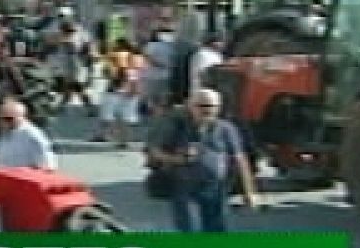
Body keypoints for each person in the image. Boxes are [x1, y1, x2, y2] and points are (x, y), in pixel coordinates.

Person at [148, 88, 259, 232]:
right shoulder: (177, 127)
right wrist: (178, 159)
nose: (205, 110)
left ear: (218, 108)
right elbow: (155, 152)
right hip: (184, 190)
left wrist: (249, 192)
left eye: (210, 106)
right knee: (190, 229)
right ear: (191, 107)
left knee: (216, 230)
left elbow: (240, 160)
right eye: (201, 106)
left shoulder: (226, 129)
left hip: (215, 190)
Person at [0, 98, 58, 171]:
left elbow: (48, 166)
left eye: (8, 118)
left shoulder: (32, 135)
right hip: (5, 179)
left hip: (24, 180)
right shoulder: (5, 134)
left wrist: (23, 171)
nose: (1, 122)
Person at [97, 38, 144, 148]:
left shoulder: (116, 55)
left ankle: (104, 135)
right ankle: (124, 140)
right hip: (133, 89)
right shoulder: (139, 58)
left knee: (107, 113)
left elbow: (113, 72)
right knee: (126, 117)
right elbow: (139, 74)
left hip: (116, 87)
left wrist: (116, 82)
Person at [48, 20, 95, 112]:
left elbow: (74, 49)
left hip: (73, 66)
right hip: (69, 66)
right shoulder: (65, 38)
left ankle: (89, 107)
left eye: (62, 30)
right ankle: (61, 107)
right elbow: (52, 44)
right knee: (69, 88)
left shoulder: (70, 39)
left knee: (77, 87)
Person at [141, 25, 176, 115]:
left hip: (153, 76)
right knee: (161, 98)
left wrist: (161, 64)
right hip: (162, 76)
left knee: (154, 99)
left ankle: (156, 115)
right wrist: (164, 65)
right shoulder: (169, 46)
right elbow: (148, 57)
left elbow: (148, 57)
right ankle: (159, 114)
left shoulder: (152, 45)